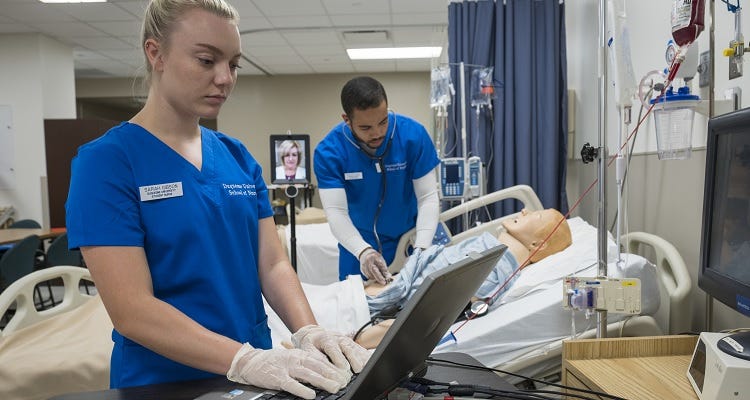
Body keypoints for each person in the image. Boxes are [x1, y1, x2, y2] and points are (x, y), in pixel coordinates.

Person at [64, 1, 368, 399]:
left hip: (255, 379)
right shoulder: (107, 163)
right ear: (156, 53)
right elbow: (132, 309)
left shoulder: (236, 156)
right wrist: (242, 359)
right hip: (164, 382)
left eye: (234, 64)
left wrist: (308, 332)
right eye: (207, 60)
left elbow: (272, 264)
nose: (225, 78)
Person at [356, 208, 573, 349]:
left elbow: (423, 315)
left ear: (537, 245)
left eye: (536, 215)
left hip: (361, 310)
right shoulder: (490, 254)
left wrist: (359, 340)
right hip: (365, 296)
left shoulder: (492, 270)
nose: (525, 210)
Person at [314, 76, 440, 285]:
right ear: (347, 120)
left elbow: (427, 197)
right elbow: (336, 212)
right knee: (360, 304)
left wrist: (422, 248)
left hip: (410, 242)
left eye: (383, 122)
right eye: (366, 128)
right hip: (357, 248)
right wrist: (362, 251)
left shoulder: (413, 136)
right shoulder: (330, 152)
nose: (377, 133)